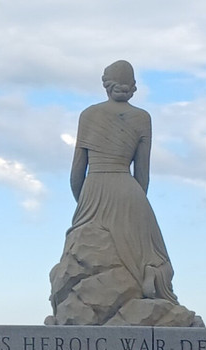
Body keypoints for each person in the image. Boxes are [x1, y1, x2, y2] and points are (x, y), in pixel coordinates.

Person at [65, 60, 179, 303]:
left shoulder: (89, 115)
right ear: (133, 86)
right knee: (153, 253)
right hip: (129, 189)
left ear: (106, 85)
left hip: (94, 186)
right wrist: (137, 204)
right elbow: (143, 173)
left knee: (85, 248)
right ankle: (149, 275)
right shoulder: (142, 118)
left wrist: (83, 201)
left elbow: (77, 171)